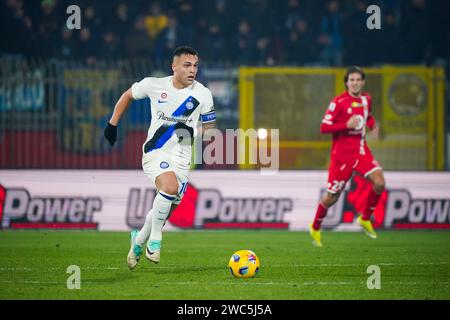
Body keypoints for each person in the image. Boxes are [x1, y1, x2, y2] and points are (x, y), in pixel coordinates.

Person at [104, 46, 216, 268]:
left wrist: (194, 131)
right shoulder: (154, 85)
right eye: (187, 65)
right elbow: (128, 95)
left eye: (195, 66)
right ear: (174, 67)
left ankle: (138, 240)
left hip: (183, 158)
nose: (192, 70)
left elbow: (210, 127)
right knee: (169, 187)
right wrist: (112, 123)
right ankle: (155, 240)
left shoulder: (203, 93)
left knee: (164, 210)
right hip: (156, 150)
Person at [309, 66, 385, 247]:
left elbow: (369, 116)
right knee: (331, 197)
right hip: (341, 157)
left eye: (358, 80)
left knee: (380, 182)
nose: (355, 83)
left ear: (363, 82)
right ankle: (315, 226)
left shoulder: (367, 99)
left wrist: (373, 126)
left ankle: (365, 218)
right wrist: (346, 124)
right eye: (352, 80)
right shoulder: (338, 102)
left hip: (360, 150)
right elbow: (324, 128)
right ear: (346, 83)